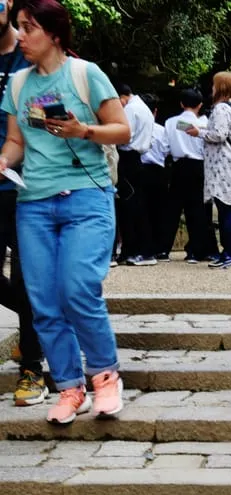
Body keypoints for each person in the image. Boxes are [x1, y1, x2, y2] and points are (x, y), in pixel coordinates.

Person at [0, 0, 130, 423]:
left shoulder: (84, 73)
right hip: (33, 203)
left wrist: (83, 130)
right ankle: (70, 388)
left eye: (29, 27)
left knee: (78, 288)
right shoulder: (18, 84)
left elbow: (122, 130)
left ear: (54, 33)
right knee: (43, 302)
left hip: (86, 199)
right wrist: (4, 159)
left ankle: (105, 377)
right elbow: (17, 142)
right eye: (19, 26)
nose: (21, 35)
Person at [0, 0, 43, 406]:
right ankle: (49, 321)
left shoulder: (30, 56)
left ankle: (32, 366)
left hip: (26, 187)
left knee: (26, 280)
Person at [188, 71, 231, 269]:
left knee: (226, 211)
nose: (212, 88)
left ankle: (230, 253)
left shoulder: (221, 109)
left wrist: (199, 132)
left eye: (215, 84)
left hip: (224, 167)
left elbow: (219, 135)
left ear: (221, 87)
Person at [163, 88, 216, 264]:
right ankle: (196, 250)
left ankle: (163, 249)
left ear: (181, 103)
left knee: (172, 208)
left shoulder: (171, 122)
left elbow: (165, 147)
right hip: (197, 165)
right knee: (197, 209)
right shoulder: (205, 123)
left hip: (178, 165)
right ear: (200, 105)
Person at [114, 83, 155, 264]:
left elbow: (124, 135)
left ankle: (134, 249)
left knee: (129, 207)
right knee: (138, 205)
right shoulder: (143, 108)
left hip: (128, 156)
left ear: (122, 96)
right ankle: (140, 249)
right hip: (137, 158)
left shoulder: (130, 109)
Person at [138, 92, 172, 260]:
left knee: (141, 209)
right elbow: (167, 150)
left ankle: (144, 247)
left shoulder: (135, 128)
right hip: (158, 170)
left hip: (140, 168)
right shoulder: (162, 129)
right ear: (155, 111)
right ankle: (160, 247)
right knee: (159, 210)